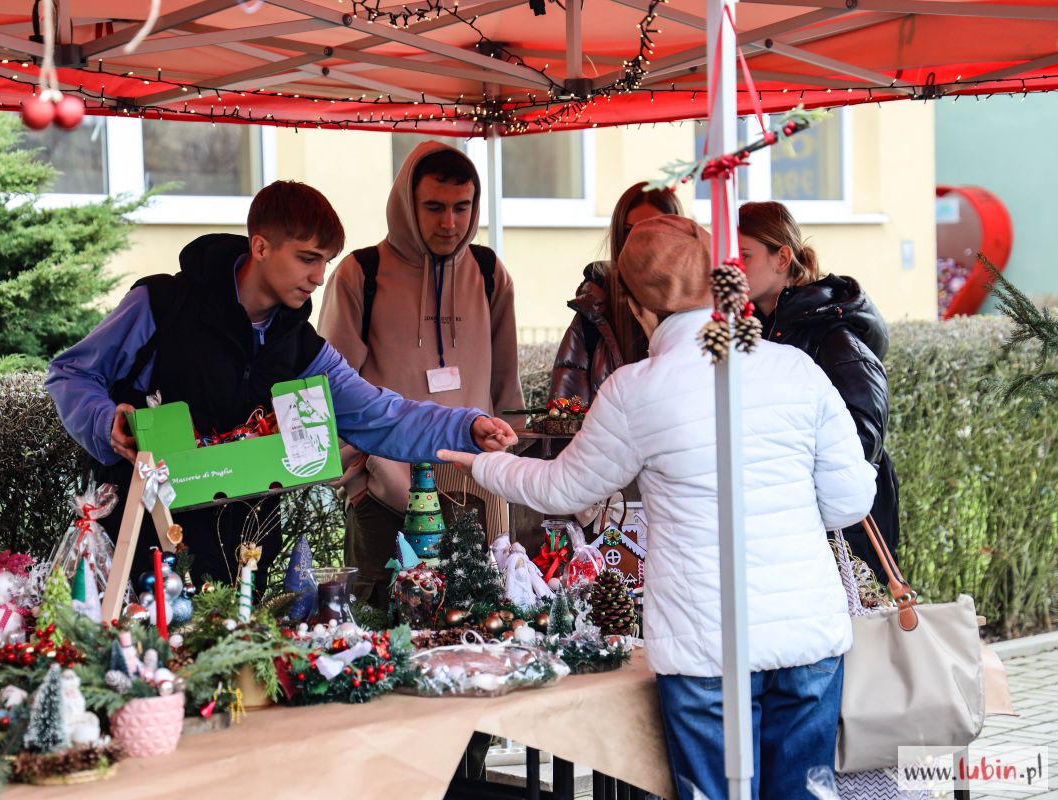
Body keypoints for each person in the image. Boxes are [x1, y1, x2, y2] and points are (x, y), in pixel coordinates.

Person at [439, 215, 875, 800]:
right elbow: (849, 501)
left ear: (639, 307)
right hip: (808, 637)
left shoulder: (634, 389)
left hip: (702, 649)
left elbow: (564, 492)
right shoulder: (794, 367)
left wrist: (483, 464)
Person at [46, 180, 517, 597]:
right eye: (307, 259)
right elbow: (70, 373)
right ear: (261, 246)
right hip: (141, 551)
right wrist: (105, 421)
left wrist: (466, 426)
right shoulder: (162, 304)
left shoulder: (302, 348)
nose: (318, 277)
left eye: (325, 262)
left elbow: (379, 414)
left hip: (246, 560)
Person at [318, 142, 523, 608]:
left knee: (483, 633)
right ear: (407, 206)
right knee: (380, 634)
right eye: (433, 207)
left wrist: (509, 469)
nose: (449, 223)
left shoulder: (489, 273)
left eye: (461, 207)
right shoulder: (361, 276)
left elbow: (506, 387)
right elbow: (327, 391)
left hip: (478, 495)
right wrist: (365, 475)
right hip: (385, 501)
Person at [738, 200, 900, 583]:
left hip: (841, 532)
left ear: (782, 258)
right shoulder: (750, 329)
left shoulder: (833, 334)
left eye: (744, 255)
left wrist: (784, 475)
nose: (731, 268)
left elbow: (863, 440)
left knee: (850, 639)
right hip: (786, 526)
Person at [549, 182, 682, 402]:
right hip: (610, 436)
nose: (641, 242)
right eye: (630, 231)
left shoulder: (702, 310)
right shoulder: (596, 309)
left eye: (654, 230)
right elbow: (566, 415)